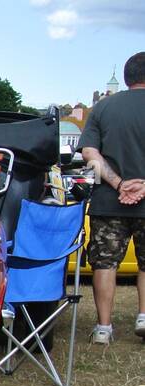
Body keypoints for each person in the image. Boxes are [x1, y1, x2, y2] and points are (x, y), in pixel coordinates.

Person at [78, 51, 145, 345]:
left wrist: (119, 184)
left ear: (127, 78)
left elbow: (90, 153)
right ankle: (144, 317)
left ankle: (103, 327)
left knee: (105, 263)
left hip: (108, 200)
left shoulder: (102, 108)